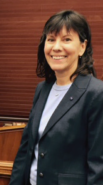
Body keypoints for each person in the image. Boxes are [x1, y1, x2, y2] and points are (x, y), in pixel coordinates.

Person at [9, 10, 103, 185]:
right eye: (51, 39)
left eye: (67, 39)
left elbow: (99, 165)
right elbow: (26, 150)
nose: (56, 47)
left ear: (82, 47)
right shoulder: (42, 89)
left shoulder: (96, 93)